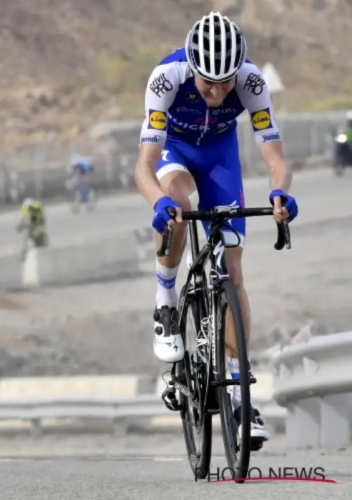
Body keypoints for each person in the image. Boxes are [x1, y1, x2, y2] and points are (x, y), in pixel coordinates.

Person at [134, 11, 297, 449]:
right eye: (209, 82)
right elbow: (144, 166)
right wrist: (159, 201)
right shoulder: (166, 77)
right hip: (175, 153)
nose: (218, 90)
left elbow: (276, 160)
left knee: (234, 273)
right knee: (182, 206)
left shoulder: (252, 83)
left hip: (221, 158)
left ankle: (242, 397)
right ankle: (166, 299)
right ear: (192, 66)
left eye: (226, 82)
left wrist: (280, 193)